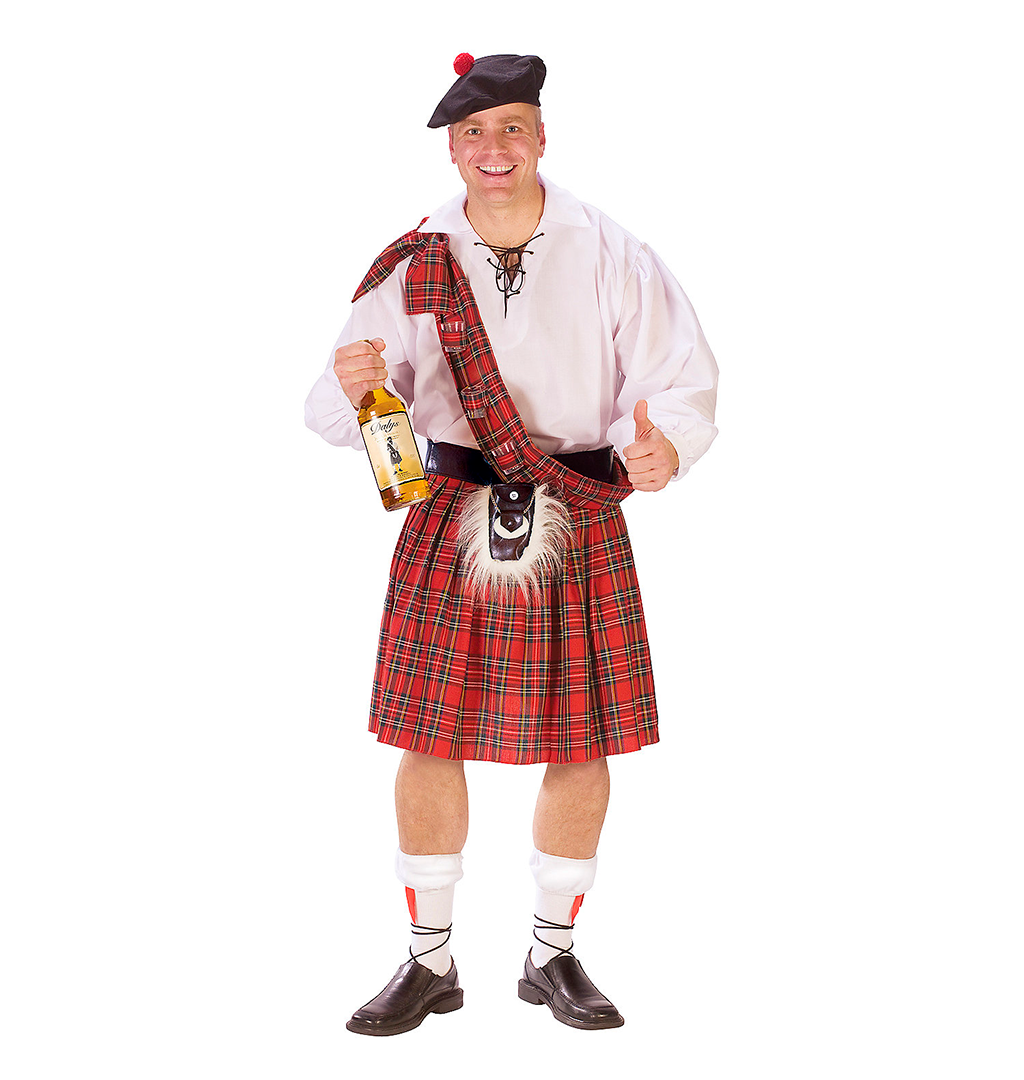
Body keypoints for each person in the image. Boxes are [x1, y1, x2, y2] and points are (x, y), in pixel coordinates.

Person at [304, 52, 719, 1035]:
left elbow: (676, 376)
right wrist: (358, 384)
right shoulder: (413, 260)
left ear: (541, 137)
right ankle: (429, 961)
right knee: (427, 737)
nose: (494, 148)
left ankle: (552, 954)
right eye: (473, 133)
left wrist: (664, 445)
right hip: (450, 506)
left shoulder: (612, 249)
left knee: (582, 740)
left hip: (577, 504)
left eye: (512, 128)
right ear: (453, 149)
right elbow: (339, 406)